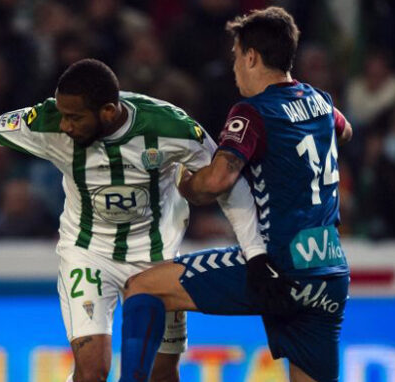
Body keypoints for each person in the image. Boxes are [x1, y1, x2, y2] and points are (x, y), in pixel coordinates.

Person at [0, 58, 265, 382]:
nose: (64, 125)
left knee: (161, 374)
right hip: (88, 254)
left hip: (157, 261)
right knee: (92, 371)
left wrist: (256, 252)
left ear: (108, 111)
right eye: (62, 115)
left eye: (74, 118)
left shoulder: (170, 127)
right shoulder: (48, 121)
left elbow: (226, 183)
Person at [117, 7, 353, 382]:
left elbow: (218, 181)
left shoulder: (251, 112)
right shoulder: (321, 101)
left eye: (236, 57)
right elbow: (345, 130)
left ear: (252, 56)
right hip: (328, 272)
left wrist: (185, 182)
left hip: (278, 265)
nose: (234, 68)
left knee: (142, 287)